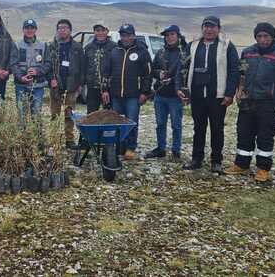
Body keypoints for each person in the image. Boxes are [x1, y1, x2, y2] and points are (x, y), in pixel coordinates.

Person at [225, 22, 275, 182]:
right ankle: (241, 164)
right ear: (255, 37)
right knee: (244, 133)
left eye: (266, 36)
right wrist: (239, 90)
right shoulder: (248, 52)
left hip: (268, 102)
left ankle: (263, 168)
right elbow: (241, 73)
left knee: (265, 135)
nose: (262, 39)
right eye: (259, 36)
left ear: (272, 37)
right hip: (247, 100)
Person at [178, 16, 239, 173]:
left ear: (218, 29)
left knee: (217, 128)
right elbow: (183, 67)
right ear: (202, 28)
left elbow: (234, 70)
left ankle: (216, 161)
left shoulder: (227, 46)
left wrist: (229, 93)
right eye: (206, 26)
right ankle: (196, 159)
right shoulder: (192, 46)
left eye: (212, 27)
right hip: (197, 95)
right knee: (199, 128)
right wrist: (182, 88)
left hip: (217, 96)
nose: (209, 29)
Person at [102, 24, 152, 160]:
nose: (125, 38)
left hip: (133, 95)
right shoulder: (114, 50)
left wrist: (144, 93)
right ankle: (119, 147)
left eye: (128, 35)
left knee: (131, 122)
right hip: (115, 94)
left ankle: (130, 148)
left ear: (133, 36)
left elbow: (148, 75)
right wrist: (105, 90)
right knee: (116, 122)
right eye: (123, 35)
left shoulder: (141, 51)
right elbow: (106, 72)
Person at [145, 25, 188, 161]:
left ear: (178, 36)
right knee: (160, 124)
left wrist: (174, 80)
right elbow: (152, 69)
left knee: (176, 125)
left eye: (172, 34)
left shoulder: (184, 53)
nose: (169, 37)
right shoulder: (161, 52)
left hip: (176, 96)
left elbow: (186, 74)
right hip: (160, 94)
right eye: (167, 35)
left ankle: (176, 151)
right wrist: (160, 74)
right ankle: (161, 148)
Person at [48, 19, 84, 149]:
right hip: (55, 84)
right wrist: (50, 78)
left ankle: (69, 140)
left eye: (65, 27)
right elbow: (47, 65)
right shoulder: (52, 46)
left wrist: (80, 84)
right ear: (57, 30)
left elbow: (82, 67)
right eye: (60, 28)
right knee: (54, 114)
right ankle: (54, 138)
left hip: (72, 84)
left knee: (69, 114)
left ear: (70, 30)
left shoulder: (77, 47)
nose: (62, 30)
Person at [10, 19, 51, 118]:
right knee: (21, 113)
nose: (29, 30)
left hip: (38, 85)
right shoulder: (17, 45)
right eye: (27, 28)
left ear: (35, 29)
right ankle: (22, 133)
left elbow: (48, 63)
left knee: (36, 113)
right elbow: (13, 64)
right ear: (23, 30)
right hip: (21, 85)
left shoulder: (43, 45)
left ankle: (36, 133)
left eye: (32, 28)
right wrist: (21, 77)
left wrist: (38, 71)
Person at [82, 23, 116, 113]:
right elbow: (84, 67)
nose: (100, 33)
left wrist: (107, 88)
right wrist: (83, 83)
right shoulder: (88, 48)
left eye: (103, 30)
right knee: (91, 116)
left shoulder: (114, 47)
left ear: (107, 31)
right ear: (94, 32)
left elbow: (116, 68)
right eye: (97, 31)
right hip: (92, 88)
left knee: (108, 116)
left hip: (109, 89)